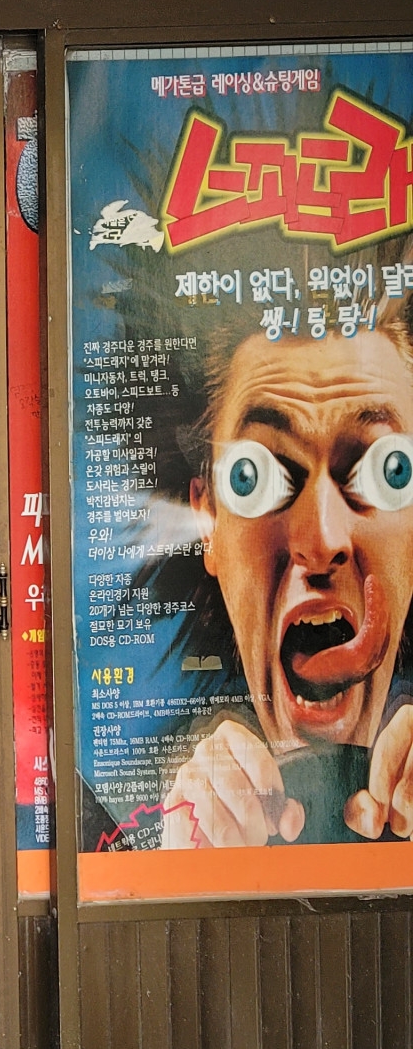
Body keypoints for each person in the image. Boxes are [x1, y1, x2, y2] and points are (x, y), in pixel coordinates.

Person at [162, 314, 413, 846]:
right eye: (252, 476)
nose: (321, 540)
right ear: (208, 522)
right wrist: (179, 862)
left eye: (389, 469)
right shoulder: (142, 791)